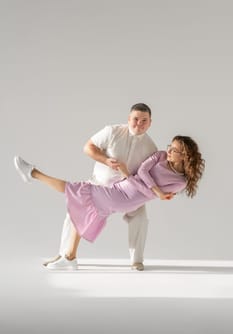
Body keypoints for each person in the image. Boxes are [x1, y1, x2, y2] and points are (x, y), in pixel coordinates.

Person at [14, 135, 205, 270]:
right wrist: (148, 186)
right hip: (120, 187)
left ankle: (33, 173)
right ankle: (70, 257)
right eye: (169, 146)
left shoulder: (180, 182)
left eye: (175, 150)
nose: (169, 150)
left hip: (127, 199)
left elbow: (147, 191)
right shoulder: (161, 155)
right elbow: (143, 173)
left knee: (75, 189)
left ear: (185, 156)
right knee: (81, 208)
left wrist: (146, 186)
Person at [43, 103, 157, 271]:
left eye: (144, 121)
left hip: (128, 192)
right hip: (99, 185)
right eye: (135, 119)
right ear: (128, 119)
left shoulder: (151, 148)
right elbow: (88, 147)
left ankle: (137, 261)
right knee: (73, 212)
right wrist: (105, 160)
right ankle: (64, 254)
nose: (139, 124)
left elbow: (148, 175)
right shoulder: (112, 131)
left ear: (150, 123)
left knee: (140, 218)